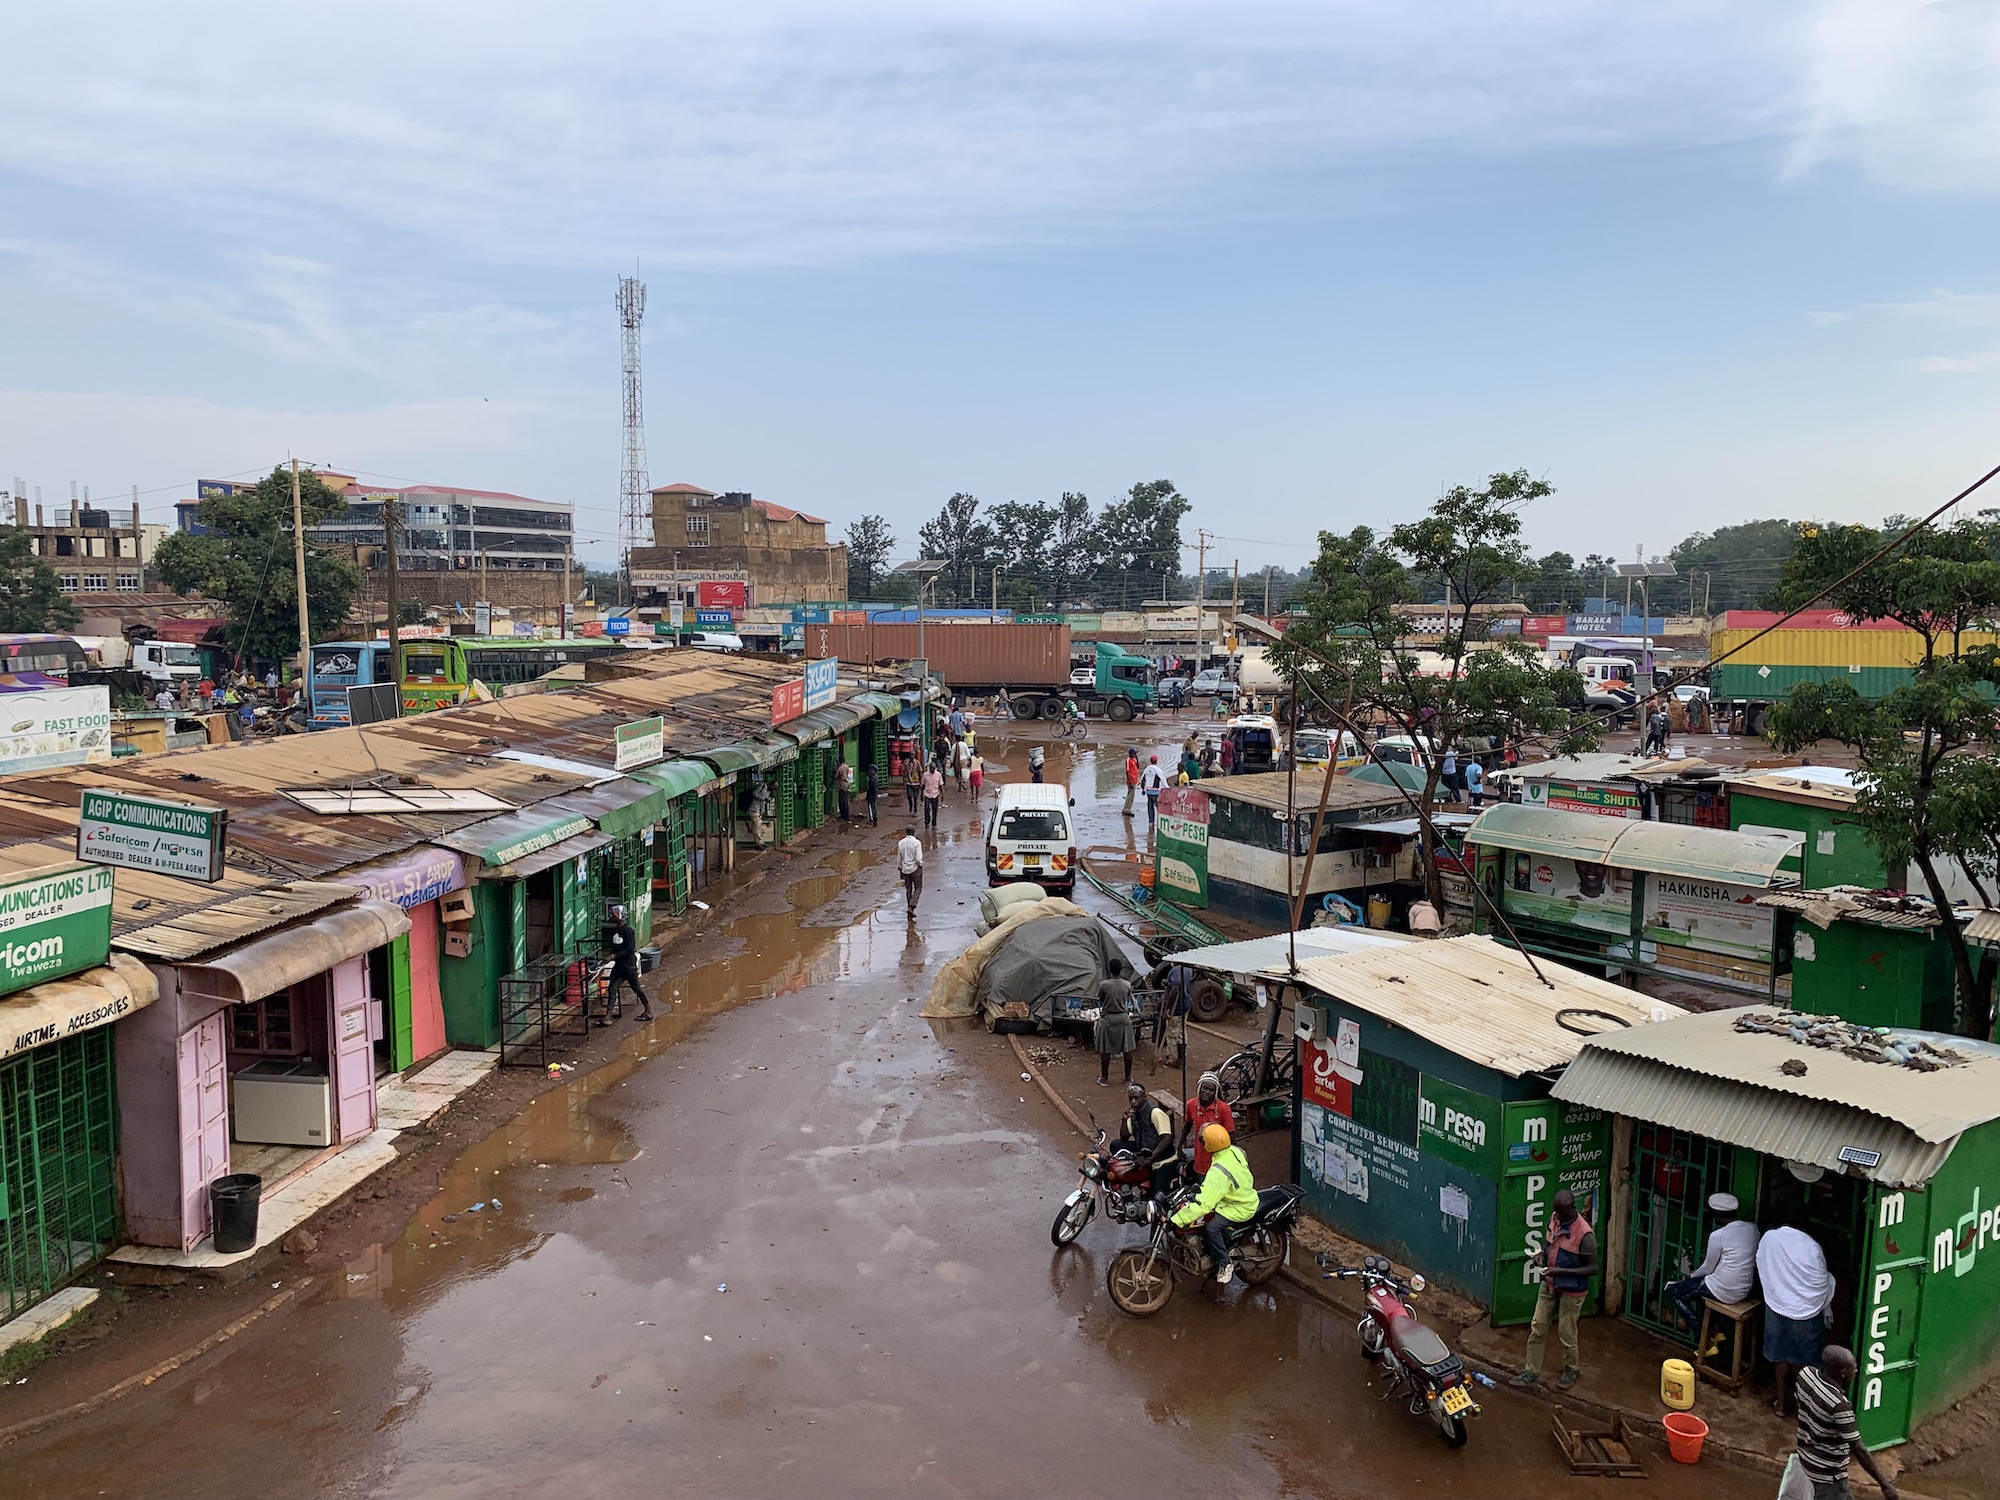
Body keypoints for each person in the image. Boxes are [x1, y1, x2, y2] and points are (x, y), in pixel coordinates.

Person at [1514, 1188, 1597, 1390]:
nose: (1558, 1216)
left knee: (1566, 1332)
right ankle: (1531, 1372)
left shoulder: (1585, 1234)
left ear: (1572, 1208)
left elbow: (1593, 1268)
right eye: (1556, 1211)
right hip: (1550, 1284)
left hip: (1572, 1290)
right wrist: (1541, 1255)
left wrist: (1560, 1270)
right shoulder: (1555, 1219)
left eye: (1561, 1212)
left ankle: (1572, 1370)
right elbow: (1549, 1244)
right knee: (1538, 1326)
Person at [1795, 1346, 1899, 1500]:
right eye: (1854, 1369)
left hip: (1806, 1458)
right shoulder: (1839, 1405)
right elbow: (1857, 1447)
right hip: (1829, 1475)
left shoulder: (1805, 1375)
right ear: (1843, 1373)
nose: (1856, 1372)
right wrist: (1884, 1484)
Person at [1759, 1221, 1836, 1418]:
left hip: (1776, 1306)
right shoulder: (1812, 1247)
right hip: (1807, 1312)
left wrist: (1780, 1290)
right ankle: (1806, 1410)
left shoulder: (1770, 1238)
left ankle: (1781, 1405)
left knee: (1780, 1356)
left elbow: (1762, 1263)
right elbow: (1822, 1280)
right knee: (1807, 1362)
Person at [1666, 1192, 1760, 1339]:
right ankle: (1718, 1332)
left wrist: (1691, 1275)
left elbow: (1707, 1268)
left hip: (1723, 1290)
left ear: (1715, 1216)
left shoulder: (1719, 1235)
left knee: (1675, 1291)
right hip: (1744, 1289)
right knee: (1697, 1290)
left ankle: (1704, 1337)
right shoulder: (1752, 1228)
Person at [1171, 1124, 1257, 1284]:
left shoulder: (1218, 1172)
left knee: (1212, 1228)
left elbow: (1204, 1204)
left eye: (1203, 1142)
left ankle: (1225, 1264)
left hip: (1239, 1207)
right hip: (1240, 1196)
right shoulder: (1236, 1151)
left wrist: (1177, 1219)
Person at [1116, 1082, 1179, 1201]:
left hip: (1162, 1160)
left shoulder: (1155, 1113)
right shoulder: (1134, 1113)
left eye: (1136, 1098)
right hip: (1144, 1152)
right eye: (1131, 1098)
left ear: (1144, 1097)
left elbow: (1167, 1138)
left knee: (1156, 1199)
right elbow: (1124, 1137)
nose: (1133, 1102)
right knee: (1116, 1145)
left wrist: (1150, 1158)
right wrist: (1124, 1120)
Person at [598, 903, 653, 1022]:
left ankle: (648, 1010)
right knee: (612, 988)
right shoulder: (615, 930)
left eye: (612, 914)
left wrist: (613, 956)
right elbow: (617, 947)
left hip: (629, 966)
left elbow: (629, 949)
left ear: (618, 916)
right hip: (619, 966)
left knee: (636, 988)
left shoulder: (628, 931)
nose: (610, 916)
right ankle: (608, 1016)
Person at [1183, 1071, 1236, 1175]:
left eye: (1211, 1090)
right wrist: (1180, 1147)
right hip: (1200, 1155)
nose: (1207, 1092)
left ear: (1216, 1092)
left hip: (1218, 1156)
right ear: (1199, 1088)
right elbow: (1187, 1125)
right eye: (1205, 1088)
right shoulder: (1191, 1105)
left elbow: (1231, 1137)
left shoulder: (1224, 1109)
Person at [1094, 961, 1137, 1087]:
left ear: (1109, 969)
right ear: (1121, 969)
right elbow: (1127, 998)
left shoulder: (1104, 985)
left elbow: (1101, 999)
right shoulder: (1127, 984)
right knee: (1127, 1049)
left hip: (1108, 1019)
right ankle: (1128, 1078)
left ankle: (1104, 1078)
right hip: (1124, 1018)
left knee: (1105, 1050)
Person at [896, 825, 924, 914]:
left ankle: (909, 907)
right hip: (915, 868)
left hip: (905, 869)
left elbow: (899, 857)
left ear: (906, 832)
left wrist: (899, 866)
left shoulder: (901, 843)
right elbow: (918, 858)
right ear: (914, 832)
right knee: (918, 888)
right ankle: (912, 906)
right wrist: (920, 864)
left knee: (908, 889)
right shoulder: (917, 843)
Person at [1140, 754, 1166, 829]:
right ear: (1156, 761)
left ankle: (1151, 821)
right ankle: (1160, 821)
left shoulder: (1147, 769)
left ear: (1150, 761)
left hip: (1148, 791)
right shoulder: (1158, 770)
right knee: (1159, 807)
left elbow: (1142, 780)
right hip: (1156, 792)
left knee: (1150, 807)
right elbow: (1163, 780)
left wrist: (1143, 789)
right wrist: (1168, 788)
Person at [920, 762, 943, 830]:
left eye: (933, 768)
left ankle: (934, 824)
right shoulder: (925, 775)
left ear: (935, 768)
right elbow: (923, 785)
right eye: (931, 768)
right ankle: (927, 822)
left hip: (935, 794)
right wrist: (921, 795)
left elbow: (941, 785)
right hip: (927, 794)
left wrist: (942, 795)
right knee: (926, 808)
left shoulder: (938, 775)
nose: (932, 769)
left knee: (935, 809)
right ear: (929, 768)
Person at [1123, 749, 1140, 817]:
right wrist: (1130, 781)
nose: (1135, 755)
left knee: (1130, 795)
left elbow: (1138, 766)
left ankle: (1126, 809)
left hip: (1134, 780)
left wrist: (1137, 758)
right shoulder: (1128, 760)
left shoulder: (1134, 759)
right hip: (1131, 781)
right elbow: (1127, 771)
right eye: (1134, 753)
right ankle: (1127, 810)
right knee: (1131, 796)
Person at [862, 761, 880, 826]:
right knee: (874, 807)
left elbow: (868, 788)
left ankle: (872, 820)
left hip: (871, 795)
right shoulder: (876, 778)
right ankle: (875, 820)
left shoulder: (871, 780)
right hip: (875, 794)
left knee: (871, 807)